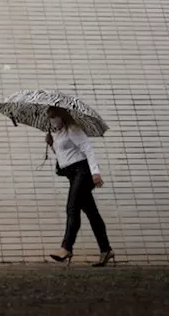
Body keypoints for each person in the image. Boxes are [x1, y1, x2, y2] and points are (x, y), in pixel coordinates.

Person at [46, 105, 114, 266]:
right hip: (72, 175)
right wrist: (51, 144)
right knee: (92, 213)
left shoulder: (73, 129)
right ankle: (106, 250)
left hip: (82, 172)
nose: (51, 119)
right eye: (49, 116)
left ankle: (66, 247)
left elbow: (88, 149)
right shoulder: (59, 133)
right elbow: (64, 155)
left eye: (53, 115)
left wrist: (95, 173)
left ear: (62, 116)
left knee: (72, 207)